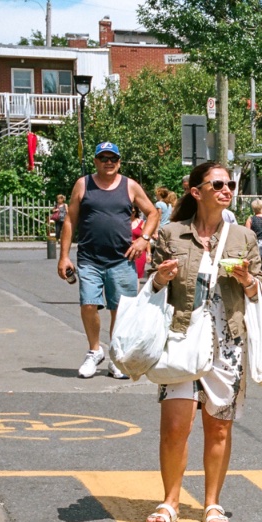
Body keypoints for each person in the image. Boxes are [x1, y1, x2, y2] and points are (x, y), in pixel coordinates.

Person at [141, 161, 262, 522]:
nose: (227, 190)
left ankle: (212, 503)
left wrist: (246, 280)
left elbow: (259, 291)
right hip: (180, 336)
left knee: (219, 428)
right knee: (175, 427)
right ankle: (170, 501)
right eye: (219, 184)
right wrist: (160, 278)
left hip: (228, 341)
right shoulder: (171, 234)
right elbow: (152, 285)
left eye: (231, 184)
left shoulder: (243, 237)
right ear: (197, 192)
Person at [57, 141, 161, 380]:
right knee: (88, 304)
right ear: (95, 161)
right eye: (103, 158)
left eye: (113, 158)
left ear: (119, 162)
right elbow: (71, 220)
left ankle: (115, 356)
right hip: (89, 258)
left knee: (120, 311)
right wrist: (63, 257)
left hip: (121, 259)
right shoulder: (83, 185)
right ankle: (94, 351)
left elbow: (154, 212)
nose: (108, 162)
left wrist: (144, 239)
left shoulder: (130, 186)